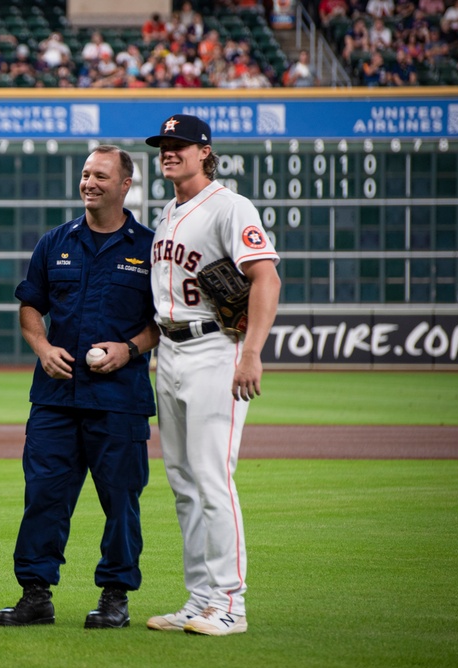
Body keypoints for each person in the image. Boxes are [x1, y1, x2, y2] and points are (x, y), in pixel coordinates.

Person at [0, 145, 158, 630]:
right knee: (43, 496)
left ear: (125, 185)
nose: (89, 182)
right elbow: (29, 306)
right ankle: (35, 594)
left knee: (121, 502)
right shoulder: (54, 242)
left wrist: (129, 349)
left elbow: (161, 322)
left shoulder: (148, 246)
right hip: (55, 400)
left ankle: (115, 597)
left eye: (101, 176)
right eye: (86, 174)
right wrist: (42, 348)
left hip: (119, 400)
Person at [143, 114, 280, 637]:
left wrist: (251, 351)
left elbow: (265, 277)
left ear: (205, 152)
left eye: (179, 145)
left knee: (212, 478)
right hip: (171, 354)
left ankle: (230, 605)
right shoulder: (166, 213)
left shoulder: (230, 206)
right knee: (182, 482)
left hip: (216, 352)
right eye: (164, 145)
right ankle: (201, 599)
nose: (169, 152)